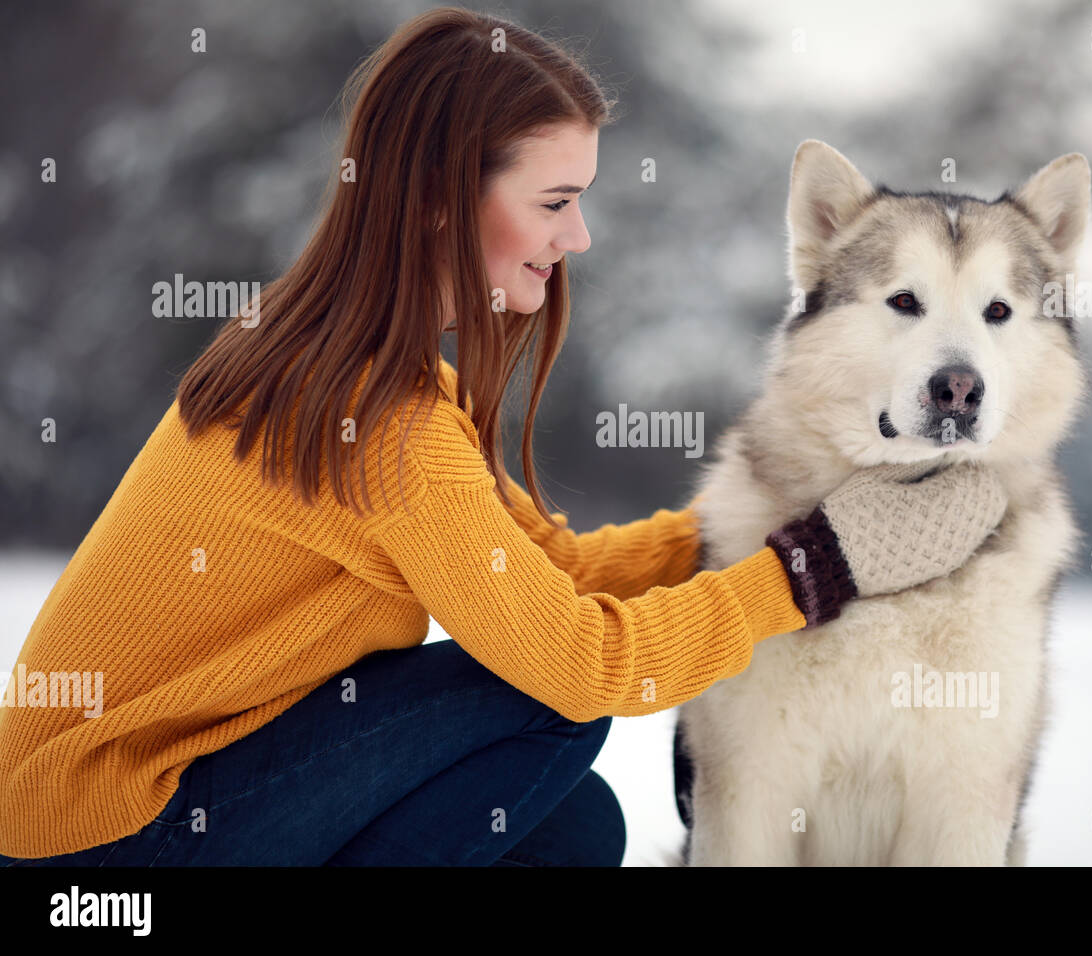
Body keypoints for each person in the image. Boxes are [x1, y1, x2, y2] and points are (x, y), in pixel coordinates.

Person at [0, 7, 1006, 867]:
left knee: (569, 826)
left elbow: (552, 566)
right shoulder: (377, 422)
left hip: (169, 789)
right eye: (556, 202)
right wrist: (810, 567)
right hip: (102, 842)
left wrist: (743, 529)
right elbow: (576, 663)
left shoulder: (371, 374)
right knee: (545, 706)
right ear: (443, 203)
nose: (578, 238)